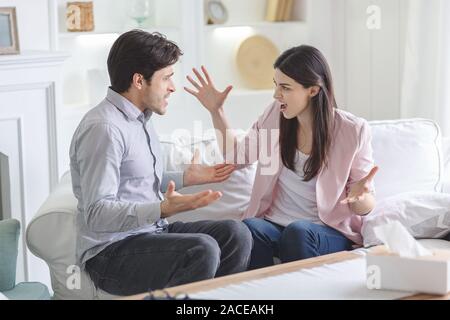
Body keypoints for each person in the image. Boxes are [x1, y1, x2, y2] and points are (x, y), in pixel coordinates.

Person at [69, 30, 252, 296]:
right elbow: (97, 213)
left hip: (149, 234)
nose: (172, 87)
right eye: (166, 78)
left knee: (236, 234)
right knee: (202, 249)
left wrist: (187, 177)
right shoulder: (105, 128)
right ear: (139, 81)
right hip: (109, 253)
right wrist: (162, 209)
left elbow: (134, 180)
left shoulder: (139, 119)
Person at [185, 45, 378, 270]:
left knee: (298, 232)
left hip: (325, 231)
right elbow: (237, 157)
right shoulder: (274, 116)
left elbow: (365, 205)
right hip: (275, 225)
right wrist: (216, 111)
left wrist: (360, 198)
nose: (277, 95)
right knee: (249, 228)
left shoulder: (352, 130)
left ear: (313, 90)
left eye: (285, 88)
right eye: (276, 85)